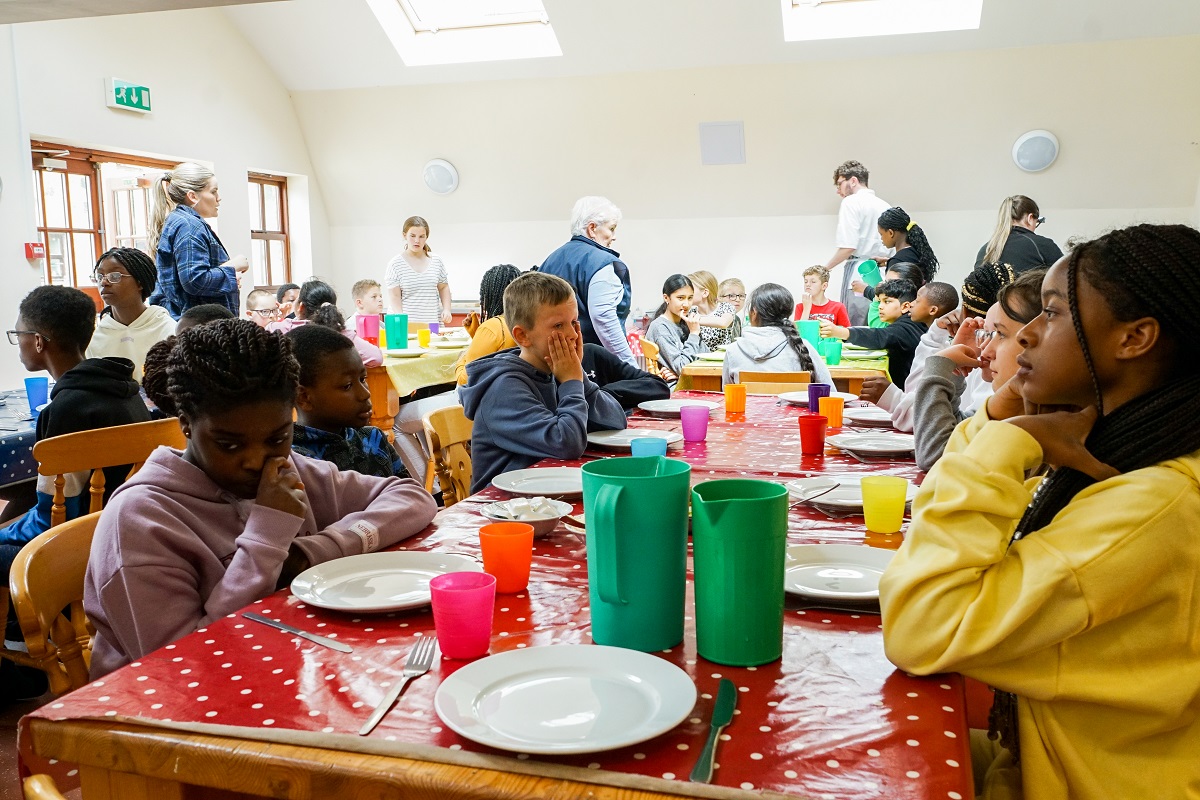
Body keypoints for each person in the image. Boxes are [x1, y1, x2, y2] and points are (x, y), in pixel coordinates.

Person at [880, 224, 1200, 798]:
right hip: (1038, 755)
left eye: (1050, 314)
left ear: (1135, 338)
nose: (1022, 338)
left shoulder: (1151, 504)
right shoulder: (1127, 450)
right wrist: (997, 418)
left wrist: (1007, 442)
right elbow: (938, 524)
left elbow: (922, 628)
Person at [84, 319, 437, 677]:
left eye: (277, 437)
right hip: (165, 708)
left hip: (286, 662)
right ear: (186, 424)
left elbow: (410, 497)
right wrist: (268, 535)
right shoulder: (141, 520)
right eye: (229, 445)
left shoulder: (289, 468)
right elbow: (182, 664)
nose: (256, 461)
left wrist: (315, 550)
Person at [1, 286, 151, 588]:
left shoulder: (66, 409)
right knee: (23, 496)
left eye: (18, 336)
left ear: (39, 342)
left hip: (84, 549)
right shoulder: (125, 389)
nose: (18, 345)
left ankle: (22, 630)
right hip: (131, 532)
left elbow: (52, 520)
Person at [459, 272, 627, 493]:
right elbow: (567, 444)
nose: (572, 335)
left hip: (547, 496)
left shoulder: (555, 371)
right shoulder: (504, 388)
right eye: (558, 326)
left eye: (574, 322)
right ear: (522, 336)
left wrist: (580, 380)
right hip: (504, 509)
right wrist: (571, 382)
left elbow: (616, 421)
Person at [911, 270, 1043, 470]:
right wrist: (953, 370)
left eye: (1000, 334)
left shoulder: (1027, 419)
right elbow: (960, 435)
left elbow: (937, 456)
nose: (986, 350)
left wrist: (940, 368)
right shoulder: (1010, 401)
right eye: (987, 334)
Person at [287, 325, 408, 480]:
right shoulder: (297, 462)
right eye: (347, 386)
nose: (365, 394)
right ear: (303, 397)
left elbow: (413, 496)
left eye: (363, 379)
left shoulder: (373, 439)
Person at [538, 196, 636, 367]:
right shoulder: (602, 263)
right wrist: (630, 368)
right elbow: (604, 318)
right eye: (611, 229)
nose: (614, 237)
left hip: (551, 363)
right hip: (591, 365)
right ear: (592, 228)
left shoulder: (549, 260)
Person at [148, 162, 248, 318]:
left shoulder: (182, 222)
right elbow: (195, 280)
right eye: (213, 192)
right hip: (199, 327)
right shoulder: (189, 226)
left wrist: (228, 278)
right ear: (192, 196)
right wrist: (233, 267)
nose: (218, 198)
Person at [820, 280, 957, 389]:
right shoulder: (914, 324)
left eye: (887, 301)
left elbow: (881, 336)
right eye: (880, 302)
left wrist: (840, 332)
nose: (880, 306)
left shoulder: (909, 327)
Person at [85, 248, 176, 382]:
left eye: (115, 276)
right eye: (100, 276)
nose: (104, 282)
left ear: (140, 282)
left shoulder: (167, 330)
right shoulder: (96, 337)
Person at [962, 195, 1063, 315]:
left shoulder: (985, 250)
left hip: (989, 322)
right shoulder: (1042, 245)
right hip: (1029, 319)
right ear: (1030, 218)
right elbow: (1065, 282)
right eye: (1037, 222)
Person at [823, 160, 892, 326]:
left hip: (859, 273)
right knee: (879, 323)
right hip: (884, 274)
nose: (838, 191)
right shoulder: (885, 205)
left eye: (840, 184)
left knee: (857, 326)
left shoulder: (851, 202)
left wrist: (825, 269)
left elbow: (848, 246)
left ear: (853, 181)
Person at [723, 283, 832, 386]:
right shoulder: (802, 346)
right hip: (793, 407)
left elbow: (728, 396)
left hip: (748, 407)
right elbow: (831, 393)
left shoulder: (733, 351)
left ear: (754, 312)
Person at [268, 279, 382, 367]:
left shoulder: (277, 329)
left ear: (300, 307)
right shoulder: (341, 334)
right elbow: (376, 358)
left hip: (290, 395)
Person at [455, 265, 521, 386]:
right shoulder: (525, 321)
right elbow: (495, 352)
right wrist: (476, 333)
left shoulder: (493, 327)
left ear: (488, 294)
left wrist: (461, 359)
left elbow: (465, 379)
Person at [384, 216, 452, 325]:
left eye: (421, 236)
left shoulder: (436, 261)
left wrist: (447, 309)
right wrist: (401, 319)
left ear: (426, 237)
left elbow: (443, 287)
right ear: (404, 235)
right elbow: (394, 296)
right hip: (406, 326)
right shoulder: (395, 264)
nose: (417, 241)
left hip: (432, 323)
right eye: (412, 236)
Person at [645, 274, 706, 380]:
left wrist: (679, 373)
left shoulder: (686, 323)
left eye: (690, 298)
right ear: (666, 298)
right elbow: (682, 367)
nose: (686, 304)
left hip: (691, 380)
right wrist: (694, 334)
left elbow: (705, 357)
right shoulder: (660, 328)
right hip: (677, 389)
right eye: (680, 298)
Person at [581, 343, 669, 411]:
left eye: (574, 323)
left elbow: (658, 386)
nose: (574, 334)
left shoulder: (591, 354)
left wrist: (603, 394)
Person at [687, 270, 738, 350]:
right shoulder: (691, 312)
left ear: (705, 293)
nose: (686, 293)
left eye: (691, 290)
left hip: (721, 359)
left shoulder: (726, 307)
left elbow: (723, 323)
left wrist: (691, 320)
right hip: (698, 360)